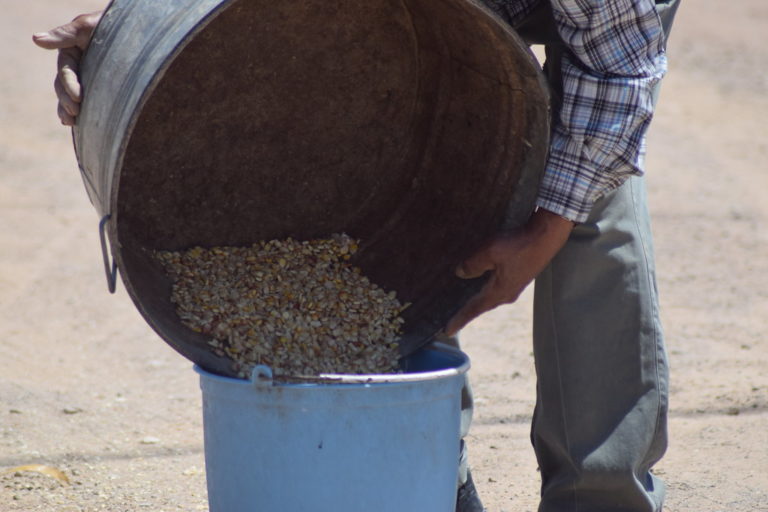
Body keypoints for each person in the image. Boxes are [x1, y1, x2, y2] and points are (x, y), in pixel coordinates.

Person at [34, 1, 680, 511]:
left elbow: (616, 72)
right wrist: (136, 30)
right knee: (427, 193)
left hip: (609, 22)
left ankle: (600, 495)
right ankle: (422, 482)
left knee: (589, 200)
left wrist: (547, 227)